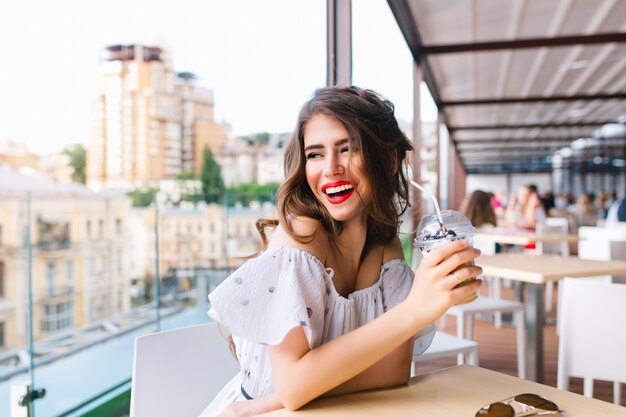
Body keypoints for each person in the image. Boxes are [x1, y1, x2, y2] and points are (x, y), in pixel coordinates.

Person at [198, 86, 482, 416]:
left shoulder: (385, 246)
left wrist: (285, 395)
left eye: (347, 149)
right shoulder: (304, 235)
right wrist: (416, 309)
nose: (330, 168)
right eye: (315, 154)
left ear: (389, 161)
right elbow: (293, 387)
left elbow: (393, 373)